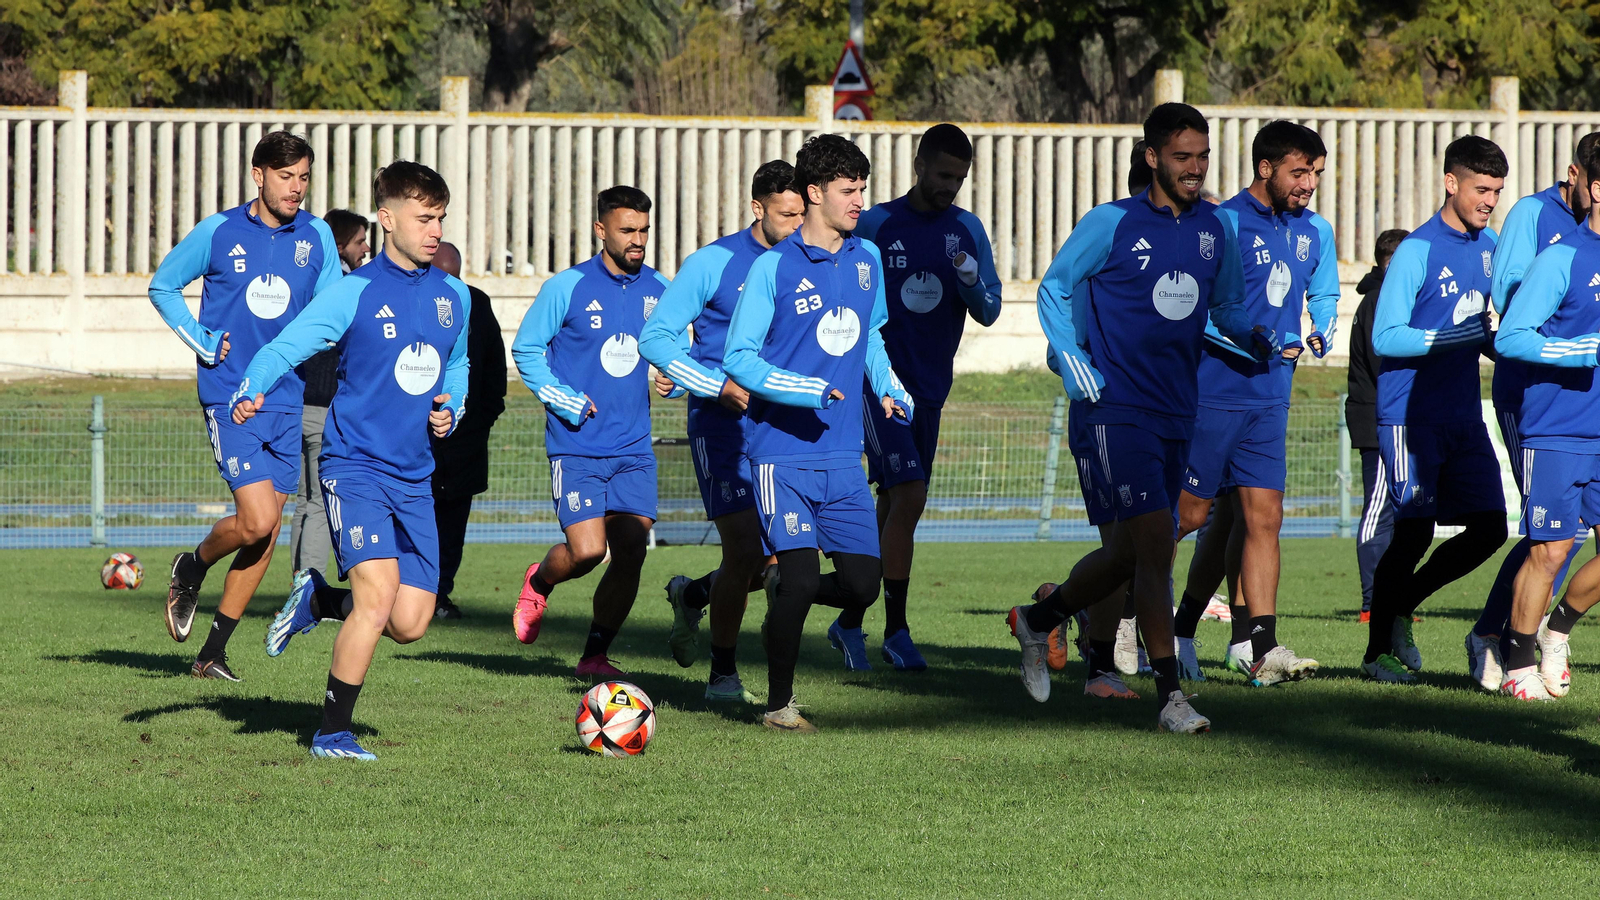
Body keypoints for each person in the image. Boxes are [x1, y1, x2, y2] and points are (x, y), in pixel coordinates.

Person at [1015, 102, 1277, 733]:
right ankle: (1170, 698)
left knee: (1130, 554)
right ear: (1152, 157)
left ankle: (1039, 620)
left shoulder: (1220, 229)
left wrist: (1255, 333)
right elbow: (1054, 286)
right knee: (1156, 546)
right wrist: (1072, 358)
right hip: (1113, 408)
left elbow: (1227, 306)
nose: (1194, 168)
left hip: (1177, 410)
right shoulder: (1110, 222)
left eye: (1203, 156)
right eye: (1182, 156)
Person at [241, 160, 471, 761]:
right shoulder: (354, 292)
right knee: (377, 595)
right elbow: (288, 344)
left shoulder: (454, 297)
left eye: (440, 218)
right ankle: (331, 732)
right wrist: (253, 385)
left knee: (412, 620)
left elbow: (458, 367)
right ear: (387, 218)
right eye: (424, 218)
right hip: (354, 468)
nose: (435, 231)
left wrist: (454, 407)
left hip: (415, 475)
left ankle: (318, 599)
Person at [722, 134, 913, 733]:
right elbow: (739, 358)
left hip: (842, 456)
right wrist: (803, 389)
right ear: (814, 193)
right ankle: (779, 704)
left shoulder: (866, 259)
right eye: (848, 190)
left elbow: (870, 337)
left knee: (863, 585)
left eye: (863, 188)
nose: (860, 201)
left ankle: (780, 590)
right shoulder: (772, 267)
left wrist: (889, 386)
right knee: (803, 579)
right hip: (779, 455)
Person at [148, 131, 342, 681]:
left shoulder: (319, 236)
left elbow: (332, 311)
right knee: (256, 519)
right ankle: (195, 563)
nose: (296, 188)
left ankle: (212, 654)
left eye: (304, 177)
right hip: (230, 396)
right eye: (286, 177)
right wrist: (202, 339)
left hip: (288, 397)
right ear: (258, 175)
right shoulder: (219, 231)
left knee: (267, 529)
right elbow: (163, 287)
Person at [1171, 120, 1340, 686]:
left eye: (1315, 172)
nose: (1309, 184)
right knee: (1190, 517)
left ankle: (1261, 647)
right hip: (1215, 393)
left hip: (1271, 396)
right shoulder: (1221, 223)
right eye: (1299, 172)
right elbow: (1200, 308)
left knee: (1265, 517)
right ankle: (1123, 614)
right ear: (1264, 169)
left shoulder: (1314, 230)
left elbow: (1323, 287)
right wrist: (1249, 339)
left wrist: (1324, 324)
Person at [639, 160, 804, 702]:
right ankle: (724, 676)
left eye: (803, 212)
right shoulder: (712, 262)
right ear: (757, 208)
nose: (797, 223)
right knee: (745, 553)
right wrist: (712, 387)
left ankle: (693, 596)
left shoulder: (809, 259)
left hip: (783, 426)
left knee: (780, 556)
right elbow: (657, 337)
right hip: (722, 426)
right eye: (786, 214)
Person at [847, 124, 1001, 671]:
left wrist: (970, 280)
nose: (950, 187)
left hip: (931, 389)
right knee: (910, 495)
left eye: (959, 178)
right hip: (878, 385)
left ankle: (849, 619)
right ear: (919, 165)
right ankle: (896, 630)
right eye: (942, 175)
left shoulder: (966, 229)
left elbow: (989, 309)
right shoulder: (876, 223)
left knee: (894, 504)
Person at [1362, 135, 1509, 683]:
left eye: (1496, 190)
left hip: (1463, 416)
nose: (1489, 200)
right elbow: (1387, 336)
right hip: (1410, 417)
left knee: (1492, 527)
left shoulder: (1490, 246)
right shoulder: (1417, 250)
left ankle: (1403, 604)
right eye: (1480, 188)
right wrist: (1457, 338)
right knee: (1415, 533)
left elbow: (1483, 330)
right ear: (1451, 183)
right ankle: (1376, 654)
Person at [510, 186, 670, 678]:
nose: (638, 239)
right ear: (601, 230)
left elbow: (673, 355)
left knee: (630, 553)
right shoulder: (568, 287)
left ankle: (594, 655)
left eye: (644, 230)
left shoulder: (659, 289)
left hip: (634, 449)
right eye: (628, 230)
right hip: (577, 447)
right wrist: (567, 400)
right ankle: (539, 581)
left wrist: (672, 379)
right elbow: (527, 350)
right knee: (586, 551)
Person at [1466, 132, 1600, 691]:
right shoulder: (1561, 254)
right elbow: (1512, 332)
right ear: (1595, 187)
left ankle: (1556, 631)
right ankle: (1514, 657)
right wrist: (1582, 349)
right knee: (1550, 546)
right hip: (1557, 426)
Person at [1042, 140, 1155, 700]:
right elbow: (1060, 332)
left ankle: (1057, 615)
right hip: (1106, 416)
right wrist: (1079, 364)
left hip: (1164, 416)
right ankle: (1099, 660)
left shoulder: (1186, 243)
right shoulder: (1106, 241)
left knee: (1144, 546)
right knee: (1128, 548)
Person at [290, 208, 370, 580]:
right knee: (321, 502)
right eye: (359, 241)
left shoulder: (307, 282)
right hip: (323, 408)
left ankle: (297, 584)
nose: (366, 248)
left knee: (304, 502)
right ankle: (309, 588)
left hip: (297, 404)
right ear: (340, 246)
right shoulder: (342, 288)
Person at [429, 241, 507, 620]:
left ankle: (440, 593)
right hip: (418, 439)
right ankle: (407, 593)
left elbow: (493, 369)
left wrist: (481, 419)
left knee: (453, 524)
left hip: (466, 440)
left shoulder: (478, 303)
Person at [1346, 228, 1408, 625]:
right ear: (1390, 261)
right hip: (1378, 419)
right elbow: (1381, 360)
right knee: (1378, 512)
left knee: (1399, 514)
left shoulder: (1385, 296)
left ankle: (1391, 599)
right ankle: (1372, 603)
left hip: (1394, 417)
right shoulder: (1378, 300)